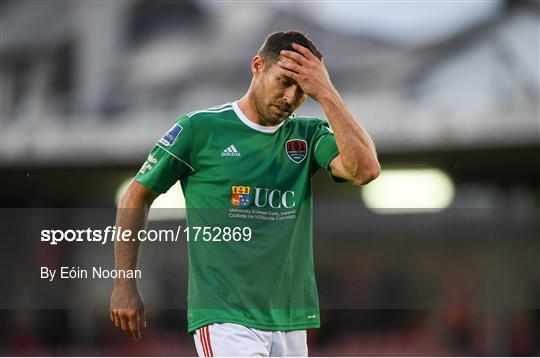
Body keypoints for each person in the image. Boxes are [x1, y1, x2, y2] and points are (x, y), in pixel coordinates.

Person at [110, 30, 380, 356]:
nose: (290, 97)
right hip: (225, 315)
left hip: (290, 318)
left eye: (303, 90)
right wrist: (124, 284)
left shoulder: (307, 135)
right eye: (283, 81)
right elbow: (135, 196)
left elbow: (365, 170)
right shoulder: (200, 130)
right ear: (257, 66)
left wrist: (326, 93)